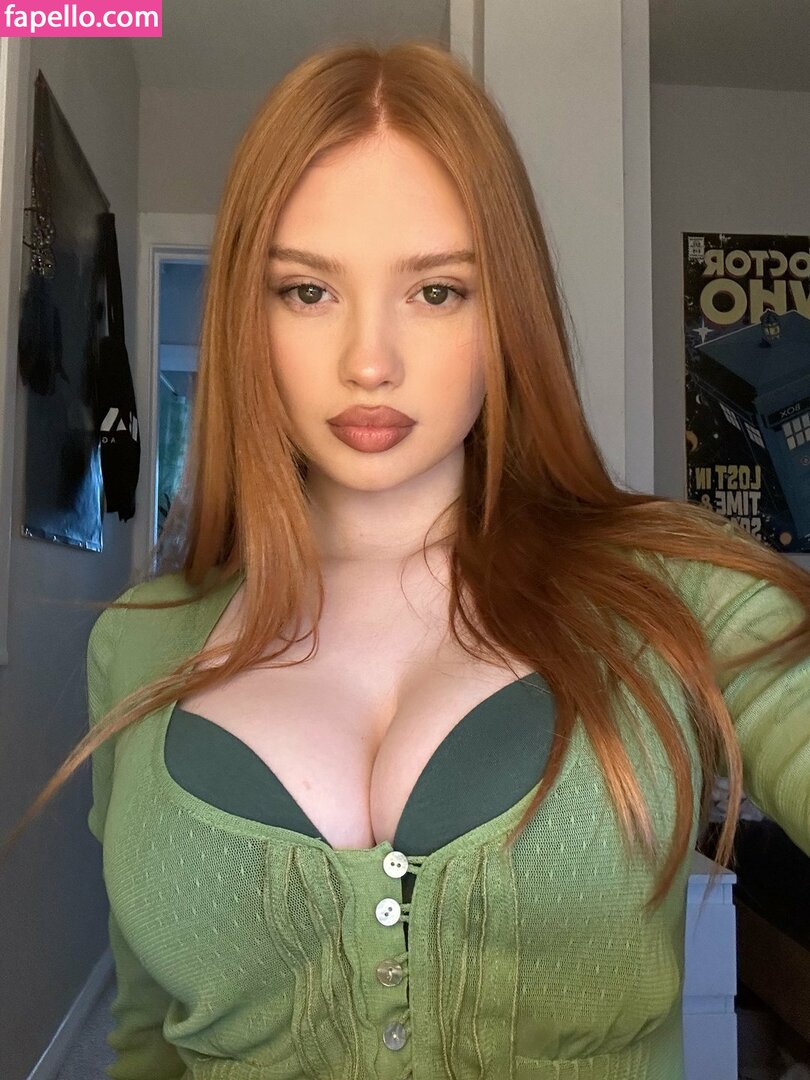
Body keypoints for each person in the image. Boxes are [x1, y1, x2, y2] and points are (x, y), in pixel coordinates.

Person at [4, 38, 810, 1080]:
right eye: (307, 291)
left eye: (436, 291)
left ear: (505, 310)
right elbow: (150, 1041)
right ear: (248, 312)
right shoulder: (139, 643)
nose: (369, 362)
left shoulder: (678, 592)